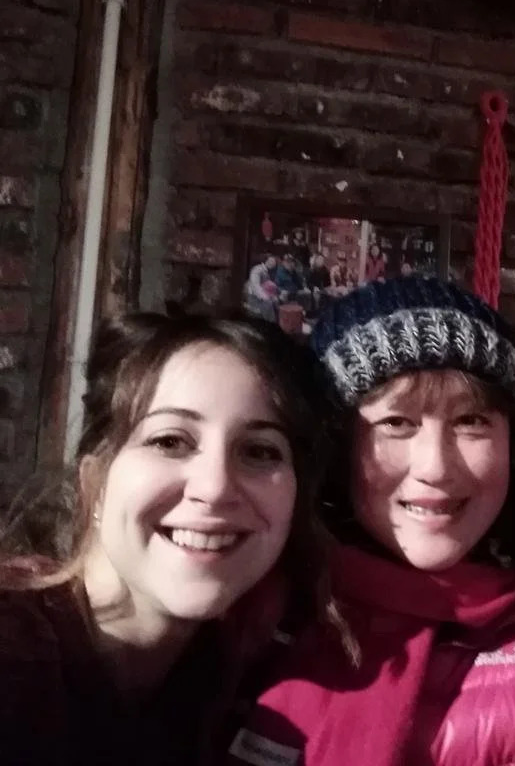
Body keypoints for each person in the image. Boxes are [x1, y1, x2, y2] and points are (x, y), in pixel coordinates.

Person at [227, 277, 515, 766]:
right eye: (396, 423)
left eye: (471, 422)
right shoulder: (246, 611)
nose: (436, 467)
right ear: (338, 447)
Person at [0, 312, 348, 765]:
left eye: (259, 451)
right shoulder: (14, 658)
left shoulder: (253, 686)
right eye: (170, 441)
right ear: (94, 482)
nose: (216, 487)